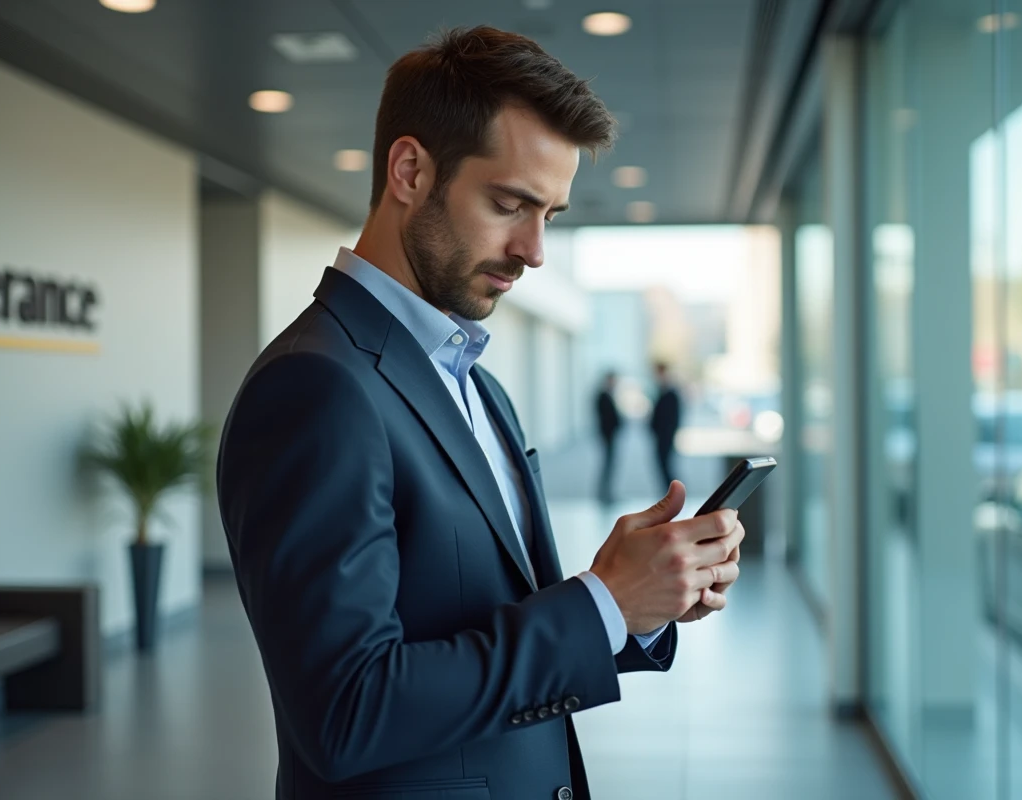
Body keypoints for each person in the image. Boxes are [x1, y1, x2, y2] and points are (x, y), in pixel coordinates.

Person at [216, 26, 744, 800]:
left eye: (551, 215)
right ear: (410, 171)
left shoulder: (475, 382)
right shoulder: (315, 386)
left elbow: (491, 623)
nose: (533, 250)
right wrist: (600, 604)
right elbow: (344, 712)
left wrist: (638, 603)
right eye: (509, 204)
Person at [650, 361, 682, 491]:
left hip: (665, 435)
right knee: (662, 465)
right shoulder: (661, 390)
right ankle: (671, 492)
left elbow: (673, 417)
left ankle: (674, 492)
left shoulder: (670, 392)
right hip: (660, 435)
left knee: (666, 465)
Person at [594, 370, 622, 504]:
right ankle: (604, 494)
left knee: (610, 465)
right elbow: (607, 418)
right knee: (607, 465)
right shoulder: (603, 396)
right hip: (607, 436)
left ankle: (606, 493)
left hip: (610, 435)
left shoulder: (608, 395)